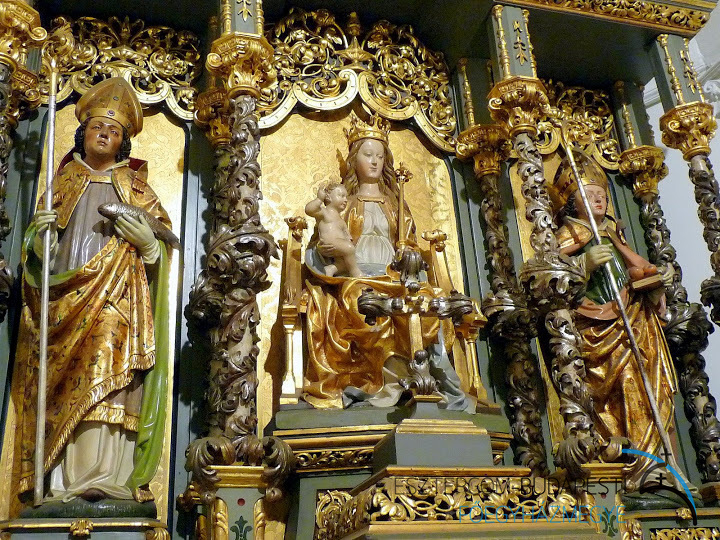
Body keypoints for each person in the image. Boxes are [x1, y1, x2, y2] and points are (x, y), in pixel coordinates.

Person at [11, 77, 172, 506]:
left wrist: (149, 246)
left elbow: (163, 244)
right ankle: (61, 480)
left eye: (113, 130)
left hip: (118, 298)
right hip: (64, 301)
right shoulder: (62, 181)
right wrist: (39, 245)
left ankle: (107, 475)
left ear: (123, 142)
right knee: (62, 377)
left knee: (112, 371)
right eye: (97, 127)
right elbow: (37, 257)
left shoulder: (135, 187)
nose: (104, 134)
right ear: (82, 134)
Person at [302, 113, 472, 411]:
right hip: (356, 276)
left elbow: (409, 243)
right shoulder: (343, 203)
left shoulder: (395, 203)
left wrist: (408, 253)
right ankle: (381, 384)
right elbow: (325, 242)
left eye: (380, 156)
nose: (374, 162)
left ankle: (420, 380)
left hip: (395, 275)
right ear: (354, 160)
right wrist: (327, 250)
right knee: (362, 304)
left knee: (426, 302)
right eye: (367, 155)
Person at [551, 150, 677, 488]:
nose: (598, 200)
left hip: (635, 317)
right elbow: (547, 278)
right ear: (572, 202)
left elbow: (636, 267)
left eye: (602, 195)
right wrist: (583, 264)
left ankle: (661, 466)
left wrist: (654, 285)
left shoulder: (615, 232)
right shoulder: (567, 234)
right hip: (597, 325)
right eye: (589, 194)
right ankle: (634, 467)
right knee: (622, 385)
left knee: (653, 386)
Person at [304, 183, 362, 277]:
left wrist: (348, 239)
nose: (345, 200)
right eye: (341, 196)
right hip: (329, 243)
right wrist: (319, 199)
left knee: (347, 262)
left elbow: (346, 233)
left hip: (339, 244)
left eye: (346, 197)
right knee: (349, 249)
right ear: (328, 197)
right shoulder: (324, 212)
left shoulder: (341, 219)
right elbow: (309, 210)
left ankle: (331, 269)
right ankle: (356, 273)